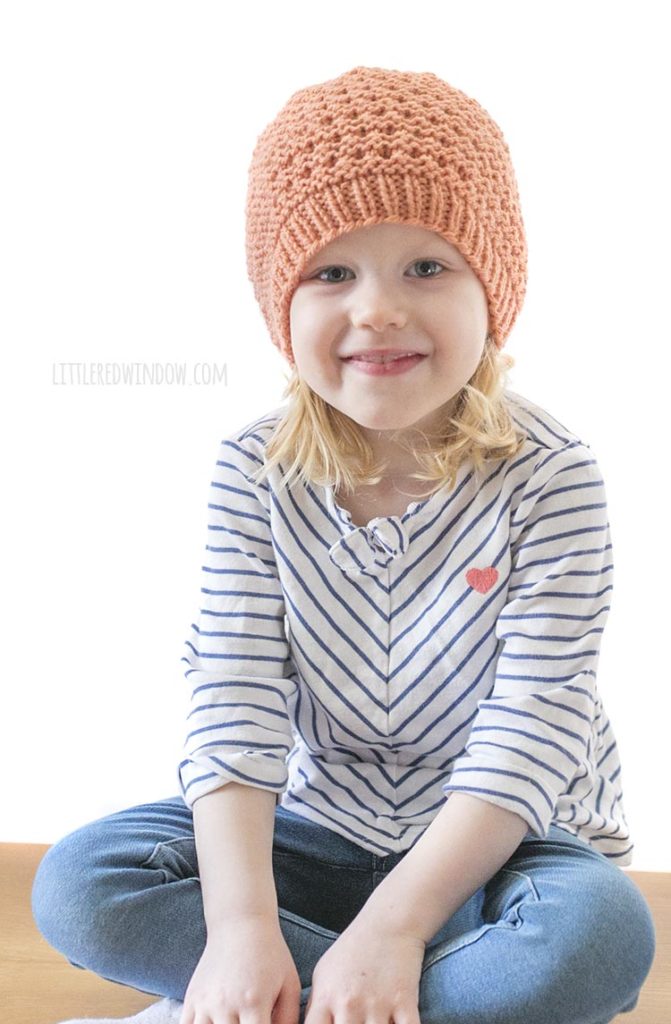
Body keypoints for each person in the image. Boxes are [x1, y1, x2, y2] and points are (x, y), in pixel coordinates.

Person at [32, 65, 656, 1024]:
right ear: (280, 304)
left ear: (494, 289)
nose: (376, 309)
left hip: (504, 848)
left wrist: (397, 930)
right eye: (331, 272)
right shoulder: (252, 472)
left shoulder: (552, 475)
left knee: (601, 938)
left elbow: (534, 725)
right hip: (320, 834)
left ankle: (334, 989)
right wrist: (241, 928)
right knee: (79, 883)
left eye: (425, 266)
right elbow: (233, 697)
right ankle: (382, 995)